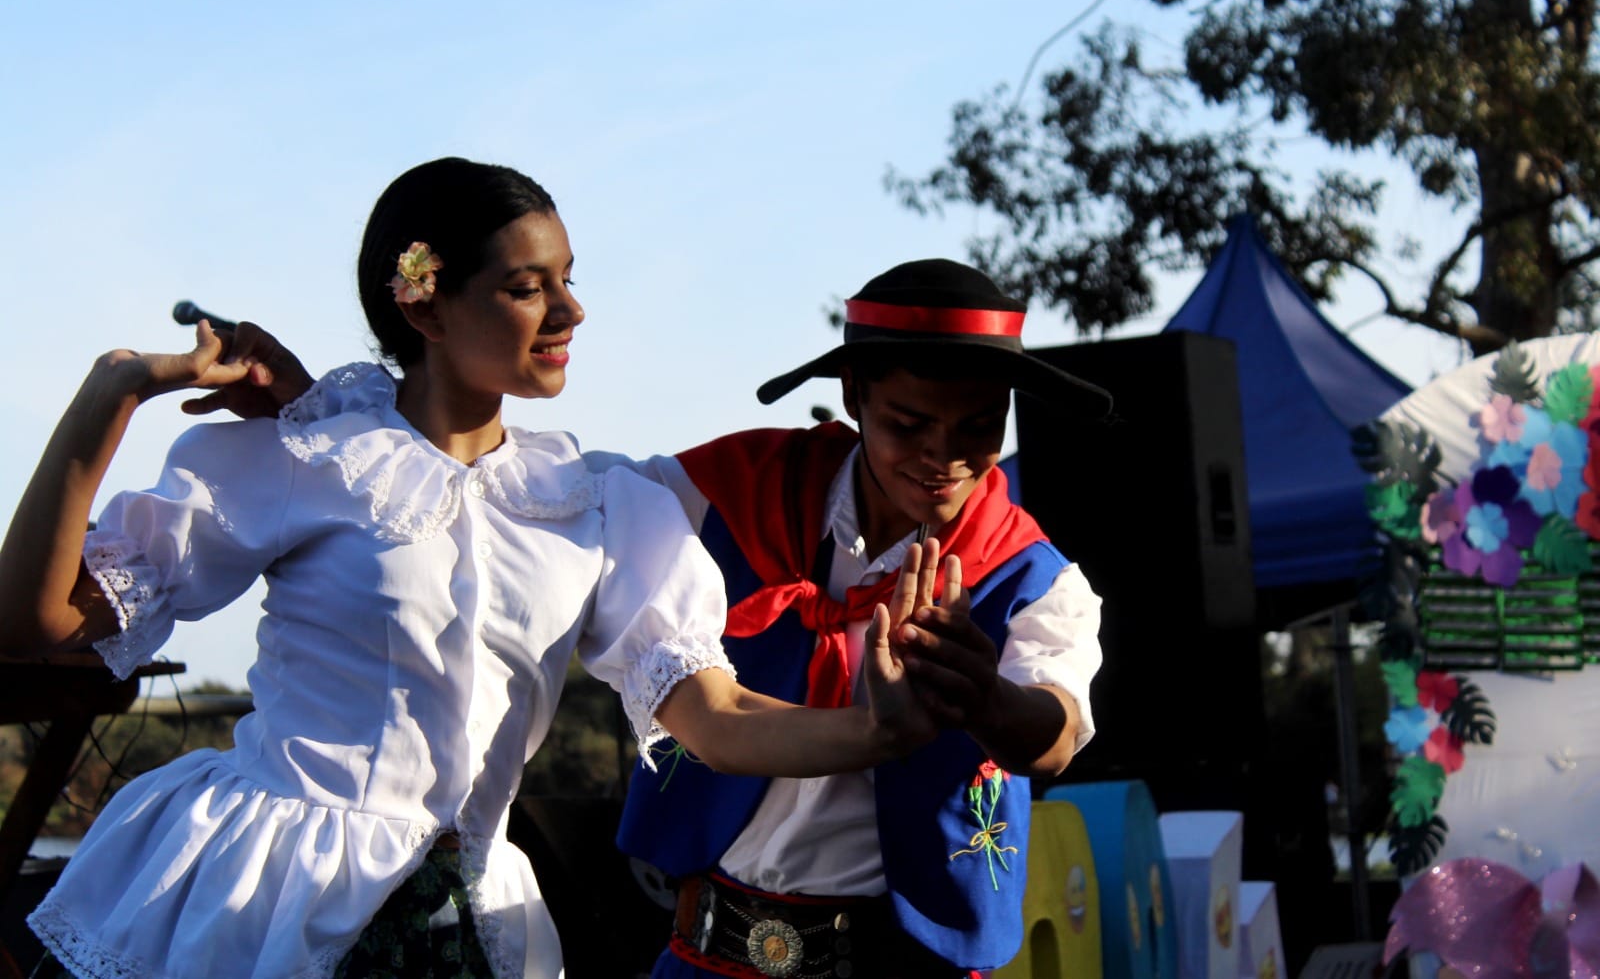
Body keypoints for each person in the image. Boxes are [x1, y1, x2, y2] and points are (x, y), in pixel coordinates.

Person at [0, 157, 950, 979]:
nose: (571, 310)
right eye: (529, 286)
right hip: (269, 903)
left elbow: (716, 714)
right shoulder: (311, 458)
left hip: (468, 919)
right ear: (424, 300)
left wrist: (875, 729)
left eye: (568, 279)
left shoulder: (593, 504)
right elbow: (34, 620)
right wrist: (113, 394)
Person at [587, 259, 1112, 978]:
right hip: (707, 957)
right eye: (908, 423)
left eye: (979, 426)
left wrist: (987, 699)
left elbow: (1054, 735)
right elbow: (561, 500)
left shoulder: (1028, 576)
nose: (944, 456)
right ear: (853, 394)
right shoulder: (725, 496)